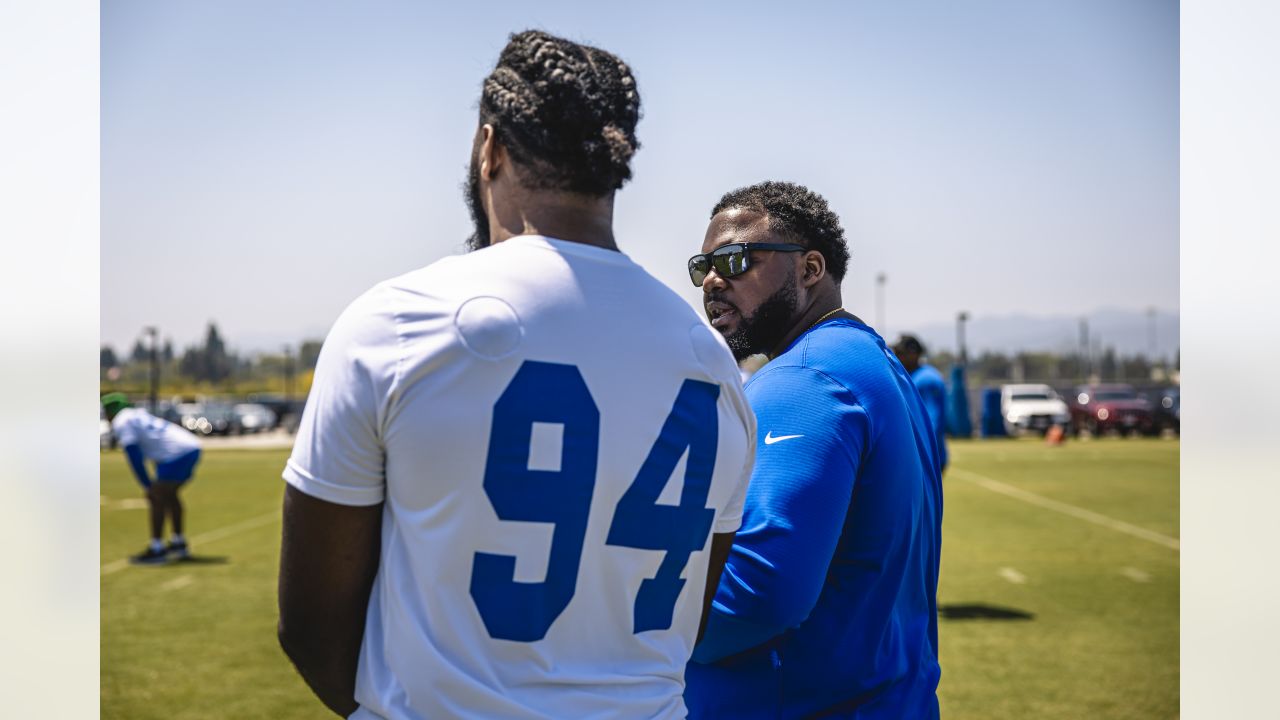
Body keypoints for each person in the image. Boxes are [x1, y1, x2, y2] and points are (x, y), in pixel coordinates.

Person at [276, 30, 755, 720]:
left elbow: (311, 624)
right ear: (614, 161)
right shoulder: (711, 360)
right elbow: (690, 616)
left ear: (490, 147)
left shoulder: (399, 322)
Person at [683, 181, 943, 719]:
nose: (712, 278)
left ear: (810, 269)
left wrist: (638, 635)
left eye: (734, 260)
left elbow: (757, 597)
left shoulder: (805, 380)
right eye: (702, 265)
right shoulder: (870, 363)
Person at [101, 392, 202, 564]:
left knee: (157, 497)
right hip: (189, 447)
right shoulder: (136, 415)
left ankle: (157, 549)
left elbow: (134, 455)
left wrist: (147, 485)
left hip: (177, 454)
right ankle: (178, 543)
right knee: (169, 495)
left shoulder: (122, 421)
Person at [894, 334, 950, 473]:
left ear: (913, 354)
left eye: (900, 353)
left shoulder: (926, 379)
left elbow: (932, 423)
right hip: (917, 455)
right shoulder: (910, 375)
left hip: (925, 457)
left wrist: (923, 457)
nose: (896, 356)